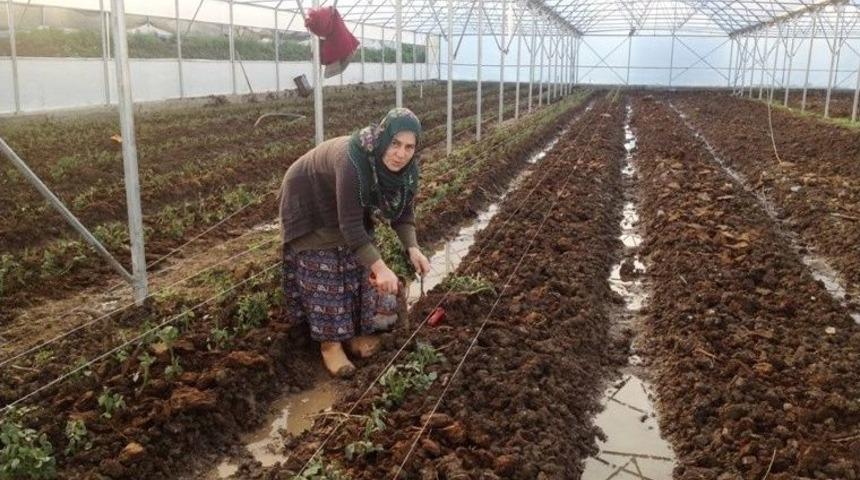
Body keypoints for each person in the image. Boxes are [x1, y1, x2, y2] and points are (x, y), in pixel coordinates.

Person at [279, 107, 431, 377]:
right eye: (395, 143)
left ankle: (354, 335)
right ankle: (330, 345)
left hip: (345, 201)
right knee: (324, 271)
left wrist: (413, 247)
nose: (401, 153)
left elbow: (404, 212)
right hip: (309, 198)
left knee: (357, 267)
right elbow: (350, 225)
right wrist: (381, 267)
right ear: (384, 138)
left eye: (409, 147)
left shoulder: (407, 171)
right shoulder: (353, 159)